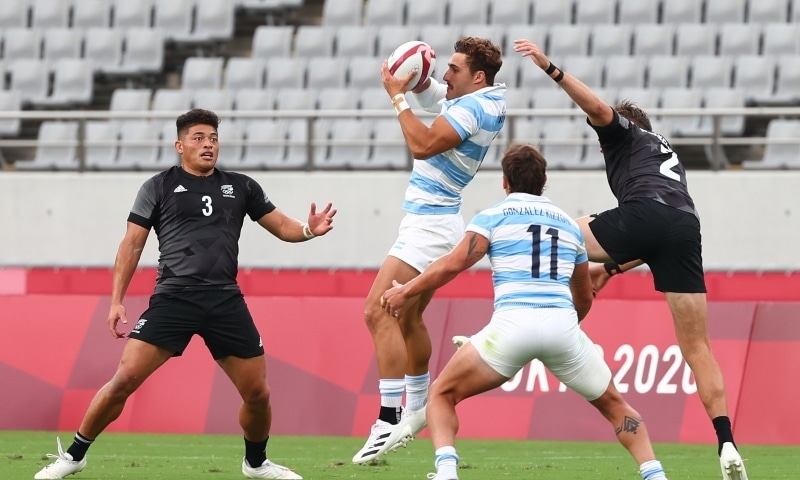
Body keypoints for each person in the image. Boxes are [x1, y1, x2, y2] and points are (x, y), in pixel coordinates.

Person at [34, 109, 337, 480]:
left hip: (225, 300)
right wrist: (116, 300)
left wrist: (309, 229)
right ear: (180, 145)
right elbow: (131, 245)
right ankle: (75, 456)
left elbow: (283, 226)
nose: (208, 144)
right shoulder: (157, 186)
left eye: (213, 138)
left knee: (258, 393)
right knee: (124, 379)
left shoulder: (242, 186)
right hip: (174, 298)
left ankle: (256, 464)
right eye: (198, 138)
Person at [511, 39, 748, 480]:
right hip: (684, 226)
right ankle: (727, 441)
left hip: (646, 213)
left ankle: (520, 323)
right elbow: (654, 238)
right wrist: (610, 269)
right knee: (698, 348)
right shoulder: (663, 151)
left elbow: (598, 108)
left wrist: (550, 68)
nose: (601, 144)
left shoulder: (623, 134)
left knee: (552, 226)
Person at [380, 144, 669, 480]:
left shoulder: (492, 217)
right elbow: (583, 295)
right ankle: (654, 474)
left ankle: (446, 471)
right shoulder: (568, 226)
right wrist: (563, 330)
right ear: (544, 180)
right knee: (617, 407)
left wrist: (406, 290)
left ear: (505, 181)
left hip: (511, 327)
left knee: (442, 395)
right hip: (562, 326)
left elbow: (452, 265)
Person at [352, 36, 506, 464]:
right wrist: (415, 74)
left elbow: (422, 144)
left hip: (430, 225)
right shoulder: (482, 99)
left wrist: (398, 98)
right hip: (432, 219)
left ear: (477, 76)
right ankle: (418, 406)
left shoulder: (476, 107)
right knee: (409, 316)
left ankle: (388, 416)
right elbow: (435, 93)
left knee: (377, 309)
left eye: (454, 69)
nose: (445, 75)